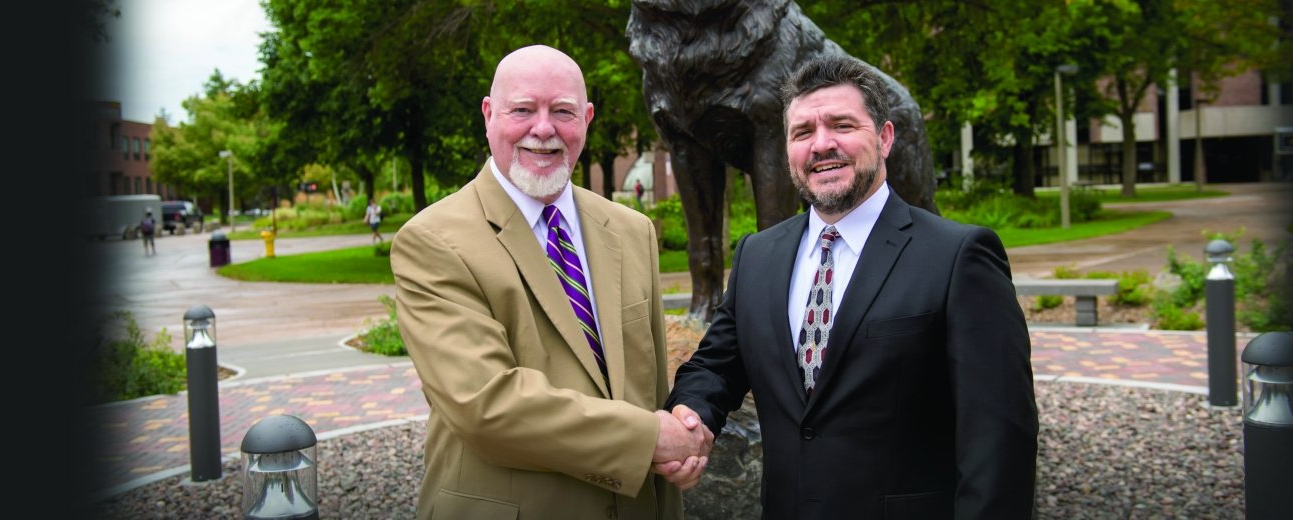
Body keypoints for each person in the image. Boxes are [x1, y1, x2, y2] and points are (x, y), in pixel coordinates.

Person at [665, 55, 1039, 518]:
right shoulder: (757, 256)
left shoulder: (958, 257)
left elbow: (1000, 437)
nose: (822, 145)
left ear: (884, 137)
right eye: (803, 132)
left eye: (841, 125)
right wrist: (690, 416)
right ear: (787, 150)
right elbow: (716, 367)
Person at [390, 44, 708, 519]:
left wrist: (680, 444)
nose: (544, 129)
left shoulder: (631, 230)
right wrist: (650, 440)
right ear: (488, 114)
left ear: (587, 118)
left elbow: (651, 386)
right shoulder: (433, 242)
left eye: (562, 111)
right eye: (522, 110)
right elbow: (487, 405)